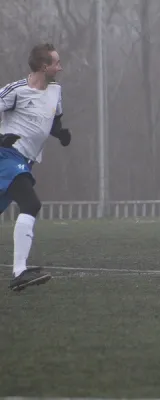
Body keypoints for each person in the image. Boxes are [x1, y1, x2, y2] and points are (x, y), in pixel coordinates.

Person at [0, 43, 72, 291]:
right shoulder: (16, 91)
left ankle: (20, 270)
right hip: (6, 156)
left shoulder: (56, 92)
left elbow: (53, 121)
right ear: (44, 66)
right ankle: (19, 272)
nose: (60, 67)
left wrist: (61, 134)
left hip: (24, 162)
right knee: (31, 204)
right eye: (57, 63)